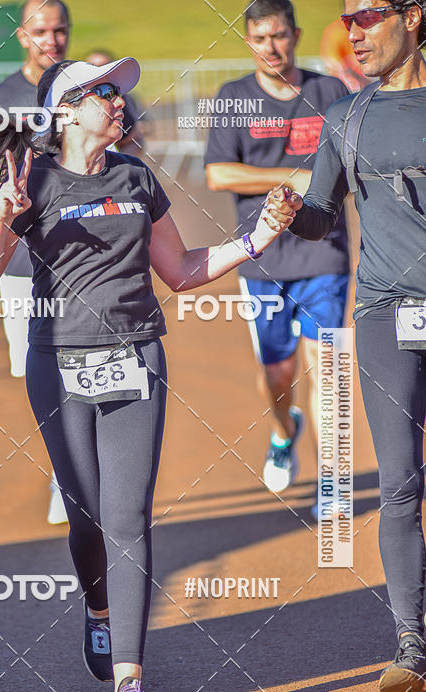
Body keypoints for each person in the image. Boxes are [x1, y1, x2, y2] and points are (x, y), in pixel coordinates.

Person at [0, 56, 297, 692]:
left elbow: (181, 271)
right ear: (66, 110)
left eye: (120, 91)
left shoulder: (136, 177)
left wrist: (258, 237)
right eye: (103, 92)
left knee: (129, 517)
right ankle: (97, 609)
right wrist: (2, 220)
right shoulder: (31, 178)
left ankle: (129, 681)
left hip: (137, 356)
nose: (119, 100)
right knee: (89, 519)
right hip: (58, 364)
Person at [270, 0, 426, 692]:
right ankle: (412, 643)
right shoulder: (346, 118)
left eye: (367, 17)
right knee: (399, 483)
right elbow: (322, 215)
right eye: (346, 21)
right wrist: (291, 212)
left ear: (412, 16)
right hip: (386, 314)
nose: (353, 33)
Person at [204, 0, 350, 518]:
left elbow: (349, 166)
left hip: (324, 252)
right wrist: (294, 179)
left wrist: (319, 187)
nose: (272, 47)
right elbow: (218, 174)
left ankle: (332, 479)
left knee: (327, 368)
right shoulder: (233, 98)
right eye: (261, 38)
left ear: (296, 35)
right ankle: (284, 432)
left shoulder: (330, 92)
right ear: (249, 42)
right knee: (278, 374)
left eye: (280, 36)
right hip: (262, 260)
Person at [0, 0, 70, 525]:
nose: (53, 39)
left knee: (84, 364)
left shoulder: (85, 88)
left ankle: (73, 474)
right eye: (41, 30)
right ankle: (65, 468)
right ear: (23, 36)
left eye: (60, 29)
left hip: (81, 256)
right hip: (22, 263)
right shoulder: (0, 100)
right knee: (36, 371)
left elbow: (129, 155)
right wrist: (8, 175)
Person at [85, 49, 146, 154]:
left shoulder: (124, 100)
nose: (120, 102)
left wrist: (116, 159)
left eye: (104, 66)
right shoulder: (78, 99)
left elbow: (137, 139)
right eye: (92, 66)